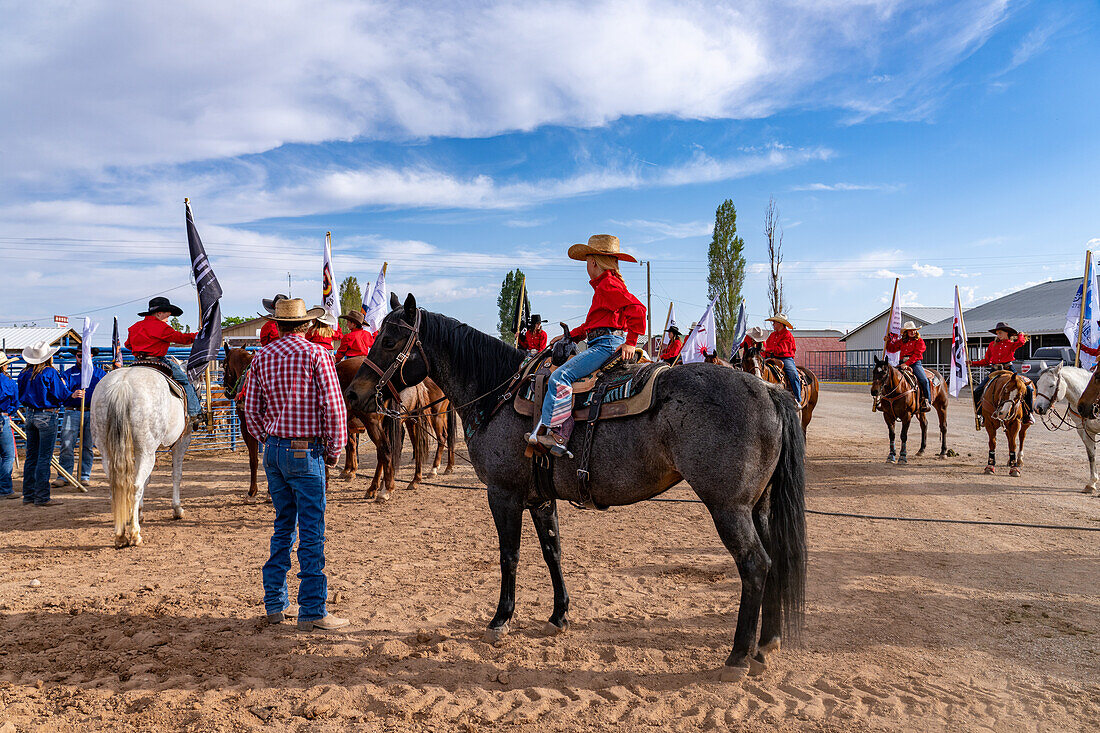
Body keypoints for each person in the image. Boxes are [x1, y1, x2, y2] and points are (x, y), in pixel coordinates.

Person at [242, 298, 350, 632]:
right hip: (306, 452)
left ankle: (275, 604)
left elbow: (250, 409)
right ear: (305, 324)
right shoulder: (318, 354)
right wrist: (334, 450)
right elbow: (333, 408)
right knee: (313, 532)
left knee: (283, 526)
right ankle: (313, 611)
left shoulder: (262, 357)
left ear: (278, 324)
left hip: (274, 451)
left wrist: (267, 439)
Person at [529, 235, 645, 454]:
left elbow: (637, 309)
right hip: (601, 340)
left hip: (605, 345)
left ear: (593, 262)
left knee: (560, 377)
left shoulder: (608, 285)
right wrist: (570, 337)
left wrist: (631, 341)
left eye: (586, 261)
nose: (586, 266)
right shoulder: (604, 286)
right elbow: (592, 324)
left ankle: (559, 434)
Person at [125, 297, 204, 428]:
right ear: (159, 313)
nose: (168, 318)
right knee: (185, 381)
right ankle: (195, 412)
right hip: (157, 360)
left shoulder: (134, 327)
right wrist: (199, 335)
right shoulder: (162, 327)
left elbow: (128, 345)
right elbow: (182, 338)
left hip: (138, 361)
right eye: (167, 315)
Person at [17, 341, 70, 506]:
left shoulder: (24, 373)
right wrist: (69, 391)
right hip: (47, 416)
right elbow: (60, 394)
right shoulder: (49, 373)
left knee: (31, 457)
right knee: (44, 458)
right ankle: (41, 497)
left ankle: (29, 495)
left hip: (30, 415)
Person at [55, 348, 106, 488]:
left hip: (91, 412)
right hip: (72, 411)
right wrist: (71, 394)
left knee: (88, 446)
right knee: (66, 444)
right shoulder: (68, 373)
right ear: (75, 357)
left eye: (85, 356)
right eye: (79, 356)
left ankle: (84, 475)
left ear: (92, 356)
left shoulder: (99, 374)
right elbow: (61, 390)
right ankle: (64, 475)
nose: (81, 359)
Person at [972, 321, 1031, 426]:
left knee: (1028, 389)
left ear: (1006, 333)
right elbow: (986, 361)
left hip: (1009, 369)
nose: (998, 335)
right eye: (997, 333)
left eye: (1000, 333)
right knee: (978, 391)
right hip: (995, 370)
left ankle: (1028, 414)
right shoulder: (992, 345)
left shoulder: (1011, 344)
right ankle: (981, 415)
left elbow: (1021, 342)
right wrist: (972, 363)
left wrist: (1020, 335)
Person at [885, 321, 931, 412]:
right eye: (910, 330)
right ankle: (886, 399)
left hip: (914, 363)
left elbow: (917, 355)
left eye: (914, 330)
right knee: (889, 377)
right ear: (906, 332)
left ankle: (927, 401)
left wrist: (907, 364)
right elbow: (892, 349)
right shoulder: (902, 341)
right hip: (901, 363)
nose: (912, 332)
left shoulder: (919, 341)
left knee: (924, 380)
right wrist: (888, 341)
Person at [764, 315, 802, 404]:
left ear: (780, 323)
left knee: (793, 374)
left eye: (774, 322)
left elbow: (781, 349)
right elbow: (767, 346)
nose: (773, 324)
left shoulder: (787, 335)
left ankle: (797, 399)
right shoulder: (772, 335)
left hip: (785, 358)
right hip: (771, 357)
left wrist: (767, 350)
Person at [0, 355, 18, 500]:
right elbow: (15, 401)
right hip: (2, 417)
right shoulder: (8, 382)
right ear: (4, 366)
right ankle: (5, 488)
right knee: (8, 455)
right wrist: (9, 412)